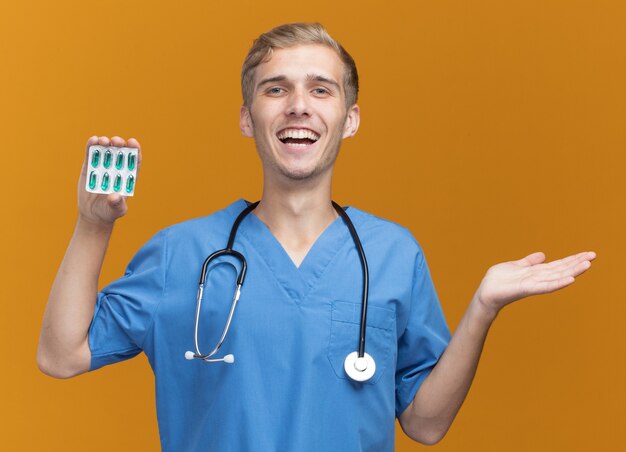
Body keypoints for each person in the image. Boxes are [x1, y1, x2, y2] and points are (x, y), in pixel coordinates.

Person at [37, 23, 595, 451]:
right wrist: (93, 224)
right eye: (275, 89)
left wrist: (482, 309)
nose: (298, 104)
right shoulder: (181, 252)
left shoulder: (393, 254)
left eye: (320, 90)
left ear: (350, 119)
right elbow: (61, 356)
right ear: (247, 118)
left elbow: (425, 424)